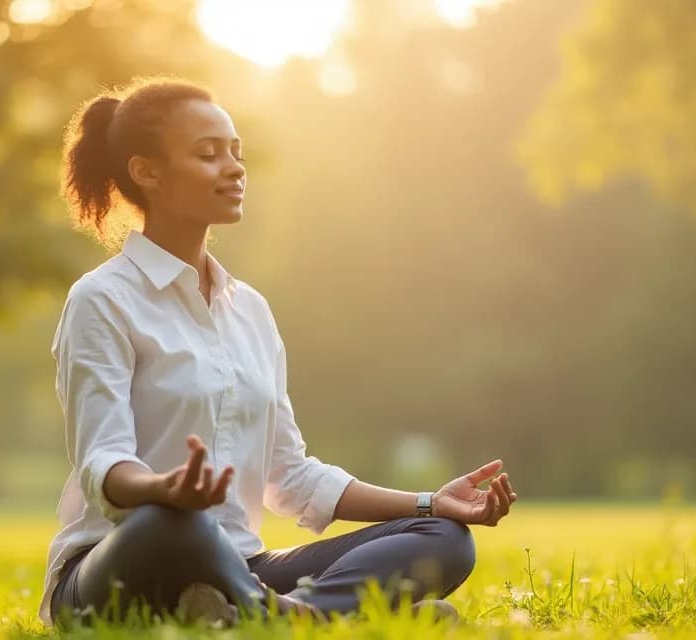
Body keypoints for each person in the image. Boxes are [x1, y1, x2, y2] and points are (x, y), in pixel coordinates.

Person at [40, 76, 519, 628]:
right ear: (147, 171)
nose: (234, 169)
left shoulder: (250, 311)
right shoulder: (102, 299)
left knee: (443, 538)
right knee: (174, 522)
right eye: (208, 154)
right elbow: (102, 460)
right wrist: (162, 488)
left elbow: (291, 475)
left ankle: (268, 616)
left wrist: (430, 502)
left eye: (236, 153)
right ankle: (314, 620)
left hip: (240, 567)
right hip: (121, 563)